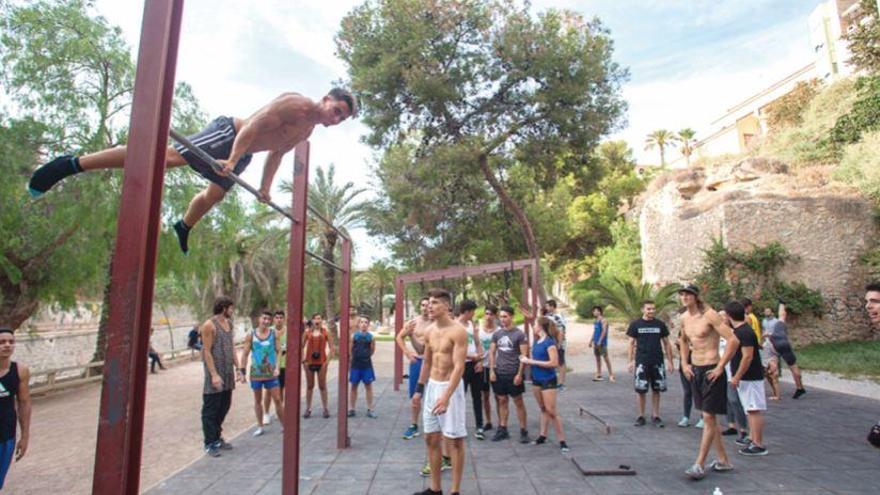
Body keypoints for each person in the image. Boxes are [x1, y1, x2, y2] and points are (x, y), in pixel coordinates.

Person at [28, 89, 358, 255]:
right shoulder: (295, 105)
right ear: (326, 98)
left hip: (243, 155)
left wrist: (265, 188)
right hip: (231, 134)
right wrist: (231, 158)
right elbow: (252, 128)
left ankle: (184, 224)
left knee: (215, 194)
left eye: (341, 118)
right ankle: (71, 164)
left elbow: (276, 154)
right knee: (169, 158)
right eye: (337, 110)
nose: (336, 118)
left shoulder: (307, 132)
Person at [678, 284, 740, 480]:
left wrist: (721, 366)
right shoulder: (684, 318)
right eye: (682, 294)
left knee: (708, 417)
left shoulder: (710, 315)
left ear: (696, 297)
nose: (685, 297)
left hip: (712, 369)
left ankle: (699, 464)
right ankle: (723, 460)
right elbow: (683, 342)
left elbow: (733, 340)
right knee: (709, 419)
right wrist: (684, 364)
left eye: (688, 294)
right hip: (695, 370)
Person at [411, 289, 468, 495]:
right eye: (429, 303)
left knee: (454, 441)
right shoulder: (429, 331)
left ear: (446, 306)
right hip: (432, 387)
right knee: (431, 438)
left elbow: (459, 367)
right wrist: (419, 389)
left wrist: (446, 397)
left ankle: (455, 491)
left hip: (449, 388)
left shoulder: (458, 331)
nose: (429, 306)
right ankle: (435, 489)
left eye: (434, 303)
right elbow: (427, 361)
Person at [724, 302, 769, 456]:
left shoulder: (744, 332)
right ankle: (752, 438)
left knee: (753, 409)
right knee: (749, 409)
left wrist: (737, 376)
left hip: (750, 377)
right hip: (746, 378)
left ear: (729, 316)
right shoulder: (740, 331)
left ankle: (758, 444)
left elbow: (748, 357)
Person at [200, 296, 243, 457]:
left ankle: (217, 437)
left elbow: (231, 347)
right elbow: (206, 351)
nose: (232, 311)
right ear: (223, 308)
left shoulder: (229, 324)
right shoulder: (209, 325)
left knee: (224, 405)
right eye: (230, 308)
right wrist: (213, 374)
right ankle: (209, 442)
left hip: (227, 371)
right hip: (215, 373)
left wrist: (238, 368)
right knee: (211, 408)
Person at [520, 317, 569, 452]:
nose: (533, 327)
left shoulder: (549, 342)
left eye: (535, 325)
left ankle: (562, 441)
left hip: (548, 379)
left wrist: (531, 362)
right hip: (537, 380)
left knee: (551, 411)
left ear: (541, 327)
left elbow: (554, 363)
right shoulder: (536, 342)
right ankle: (542, 435)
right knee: (543, 409)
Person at [627, 300, 674, 428]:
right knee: (641, 390)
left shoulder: (660, 325)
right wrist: (630, 361)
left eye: (653, 309)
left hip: (657, 361)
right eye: (648, 309)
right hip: (641, 362)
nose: (651, 311)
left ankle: (656, 415)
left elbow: (667, 343)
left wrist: (670, 361)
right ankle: (641, 415)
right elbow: (631, 343)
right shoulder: (635, 325)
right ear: (643, 310)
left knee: (656, 390)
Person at [488, 305, 530, 443]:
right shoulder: (497, 334)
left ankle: (524, 430)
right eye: (500, 316)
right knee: (502, 400)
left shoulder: (519, 334)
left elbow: (524, 355)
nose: (502, 319)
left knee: (518, 401)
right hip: (500, 373)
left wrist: (519, 374)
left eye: (505, 316)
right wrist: (492, 370)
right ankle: (503, 429)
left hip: (513, 373)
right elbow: (492, 352)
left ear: (511, 316)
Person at [240, 310, 284, 437]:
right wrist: (242, 371)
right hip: (257, 373)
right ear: (259, 319)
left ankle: (284, 425)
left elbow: (278, 351)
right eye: (264, 318)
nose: (266, 321)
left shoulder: (273, 333)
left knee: (277, 399)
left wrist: (277, 367)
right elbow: (245, 354)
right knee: (257, 400)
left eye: (268, 319)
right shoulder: (251, 335)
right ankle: (260, 426)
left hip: (271, 372)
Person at [396, 297, 433, 440]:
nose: (425, 307)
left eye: (428, 305)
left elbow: (425, 347)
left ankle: (435, 425)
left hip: (433, 363)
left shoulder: (435, 323)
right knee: (415, 397)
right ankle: (414, 425)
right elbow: (399, 337)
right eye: (423, 305)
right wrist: (407, 352)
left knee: (433, 395)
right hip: (417, 361)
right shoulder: (413, 323)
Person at [0, 328, 31, 491]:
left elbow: (24, 403)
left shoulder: (20, 371)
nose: (7, 345)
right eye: (2, 342)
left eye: (11, 342)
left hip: (6, 435)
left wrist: (25, 436)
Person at [454, 299, 486, 440]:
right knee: (460, 396)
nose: (474, 314)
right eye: (472, 312)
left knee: (477, 396)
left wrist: (479, 359)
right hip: (462, 365)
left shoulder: (471, 325)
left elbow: (477, 342)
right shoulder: (454, 326)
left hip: (475, 364)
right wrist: (470, 356)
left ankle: (479, 426)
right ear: (467, 311)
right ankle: (458, 426)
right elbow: (453, 349)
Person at [718, 311, 750, 446]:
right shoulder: (717, 334)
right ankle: (731, 425)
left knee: (734, 400)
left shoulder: (734, 333)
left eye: (723, 316)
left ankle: (743, 429)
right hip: (721, 370)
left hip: (732, 369)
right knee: (726, 400)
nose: (721, 318)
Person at [762, 303, 806, 399]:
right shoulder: (780, 326)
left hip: (774, 346)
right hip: (785, 344)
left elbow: (765, 335)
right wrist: (782, 304)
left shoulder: (776, 327)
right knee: (794, 367)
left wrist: (781, 303)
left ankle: (776, 392)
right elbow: (782, 315)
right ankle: (800, 387)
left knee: (771, 366)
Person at [302, 313, 335, 419]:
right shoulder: (307, 332)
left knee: (322, 386)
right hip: (309, 362)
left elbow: (332, 348)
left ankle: (325, 408)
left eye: (319, 318)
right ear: (312, 320)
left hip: (321, 363)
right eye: (315, 318)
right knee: (309, 386)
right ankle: (308, 408)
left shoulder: (326, 332)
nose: (317, 320)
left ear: (322, 320)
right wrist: (303, 360)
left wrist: (327, 361)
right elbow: (301, 347)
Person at [349, 315, 377, 418]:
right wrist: (353, 359)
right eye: (362, 322)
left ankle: (370, 409)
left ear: (368, 325)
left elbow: (372, 350)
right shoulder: (354, 336)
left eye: (366, 322)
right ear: (358, 324)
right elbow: (350, 349)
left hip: (367, 365)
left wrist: (366, 356)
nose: (364, 324)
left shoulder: (371, 337)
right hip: (355, 365)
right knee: (353, 386)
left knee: (368, 387)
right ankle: (352, 408)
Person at [262, 310, 287, 424]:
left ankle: (280, 411)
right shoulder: (269, 332)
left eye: (281, 317)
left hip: (284, 365)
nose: (279, 319)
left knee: (281, 389)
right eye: (276, 317)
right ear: (274, 319)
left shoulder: (288, 331)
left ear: (284, 319)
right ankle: (266, 414)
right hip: (271, 366)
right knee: (268, 391)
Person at [479, 305, 499, 433]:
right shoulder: (479, 331)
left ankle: (501, 423)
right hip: (483, 367)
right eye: (486, 313)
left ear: (495, 316)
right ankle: (488, 421)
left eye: (491, 314)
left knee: (499, 397)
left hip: (497, 367)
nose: (488, 316)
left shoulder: (499, 331)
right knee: (484, 396)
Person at [544, 300, 568, 391]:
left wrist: (559, 343)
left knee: (561, 362)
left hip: (558, 342)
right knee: (552, 362)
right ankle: (553, 382)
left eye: (548, 306)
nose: (546, 308)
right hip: (550, 343)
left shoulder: (558, 317)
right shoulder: (547, 316)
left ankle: (561, 383)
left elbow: (561, 330)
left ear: (553, 306)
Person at [589, 306, 615, 382]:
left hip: (602, 343)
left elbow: (604, 331)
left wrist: (600, 341)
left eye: (596, 311)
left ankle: (611, 375)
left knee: (606, 358)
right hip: (596, 343)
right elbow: (595, 332)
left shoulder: (604, 320)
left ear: (600, 312)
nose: (594, 312)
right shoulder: (596, 321)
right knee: (597, 359)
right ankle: (599, 374)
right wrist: (591, 341)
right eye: (593, 311)